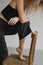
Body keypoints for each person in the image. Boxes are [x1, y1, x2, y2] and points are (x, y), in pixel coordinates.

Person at [0, 0, 39, 64]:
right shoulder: (19, 0)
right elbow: (23, 19)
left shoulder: (24, 2)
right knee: (4, 55)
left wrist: (18, 18)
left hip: (7, 26)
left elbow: (22, 20)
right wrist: (22, 19)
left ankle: (20, 48)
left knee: (25, 23)